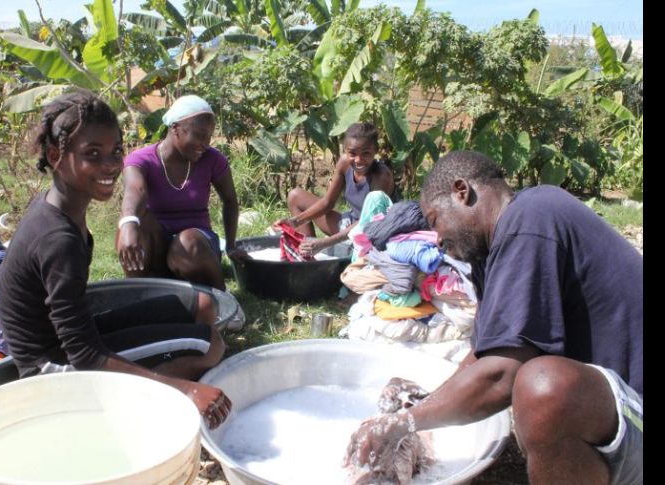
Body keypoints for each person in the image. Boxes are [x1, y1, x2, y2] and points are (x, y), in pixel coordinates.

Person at [345, 150, 642, 484]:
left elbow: (503, 374)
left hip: (636, 409)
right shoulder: (490, 252)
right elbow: (485, 354)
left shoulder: (532, 218)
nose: (437, 239)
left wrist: (403, 423)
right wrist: (426, 404)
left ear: (462, 191)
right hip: (606, 407)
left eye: (434, 222)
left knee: (542, 385)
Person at [0, 90, 231, 429]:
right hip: (53, 368)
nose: (110, 165)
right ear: (55, 155)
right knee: (211, 345)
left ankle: (152, 376)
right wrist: (187, 390)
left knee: (204, 306)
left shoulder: (60, 206)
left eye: (115, 151)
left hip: (73, 337)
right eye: (93, 154)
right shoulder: (56, 239)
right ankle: (139, 403)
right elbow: (84, 355)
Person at [116, 94, 247, 291]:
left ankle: (222, 298)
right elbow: (136, 190)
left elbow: (229, 200)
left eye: (209, 137)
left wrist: (230, 246)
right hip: (157, 247)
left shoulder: (213, 159)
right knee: (136, 220)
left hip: (197, 247)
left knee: (187, 242)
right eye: (200, 135)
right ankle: (139, 291)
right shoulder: (141, 159)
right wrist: (128, 224)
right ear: (175, 128)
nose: (206, 143)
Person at [273, 122, 395, 258]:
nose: (358, 160)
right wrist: (295, 221)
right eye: (352, 153)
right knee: (295, 196)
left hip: (370, 235)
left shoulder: (381, 176)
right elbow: (327, 203)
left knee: (336, 243)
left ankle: (314, 251)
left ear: (376, 150)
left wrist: (324, 243)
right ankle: (306, 256)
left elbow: (367, 223)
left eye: (366, 153)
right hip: (350, 224)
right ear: (345, 150)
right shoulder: (344, 164)